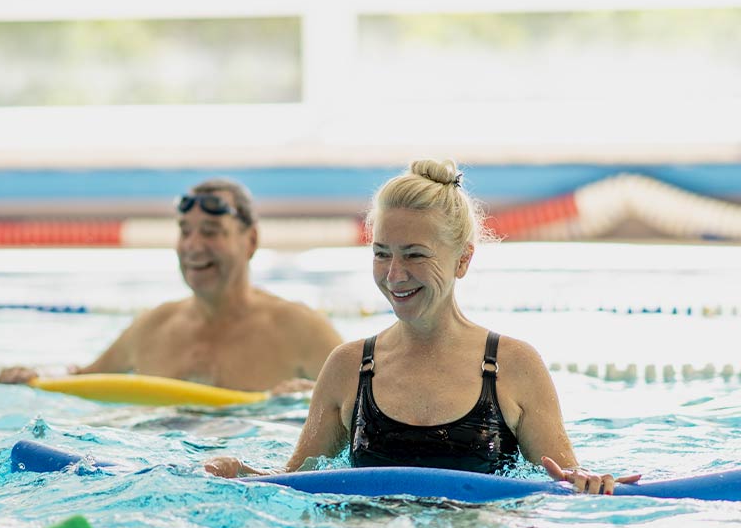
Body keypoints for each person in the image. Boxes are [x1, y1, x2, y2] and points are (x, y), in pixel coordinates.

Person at [204, 159, 641, 494]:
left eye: (415, 255)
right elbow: (293, 484)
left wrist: (590, 485)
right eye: (381, 253)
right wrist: (240, 473)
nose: (394, 275)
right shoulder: (348, 367)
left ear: (463, 259)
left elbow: (563, 482)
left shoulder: (513, 366)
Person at [0, 178, 343, 393]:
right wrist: (37, 375)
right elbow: (82, 378)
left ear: (249, 240)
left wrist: (307, 400)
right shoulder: (153, 326)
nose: (193, 246)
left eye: (210, 232)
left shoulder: (301, 329)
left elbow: (360, 402)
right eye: (185, 231)